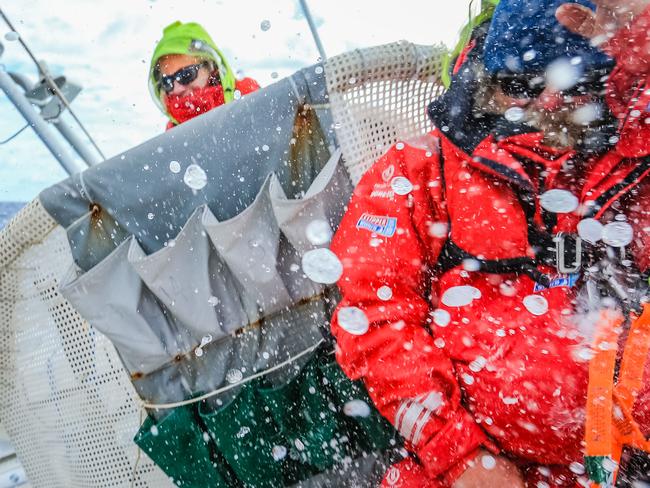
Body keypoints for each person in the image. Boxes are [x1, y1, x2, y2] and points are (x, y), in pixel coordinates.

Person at [329, 0, 650, 486]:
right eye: (521, 83)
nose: (545, 103)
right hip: (484, 467)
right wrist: (458, 454)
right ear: (486, 73)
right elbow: (375, 318)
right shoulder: (415, 173)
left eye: (570, 84)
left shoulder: (631, 162)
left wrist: (639, 32)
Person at [148, 21, 260, 130]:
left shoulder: (247, 95)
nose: (177, 89)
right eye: (167, 82)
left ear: (210, 67)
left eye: (185, 75)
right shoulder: (174, 130)